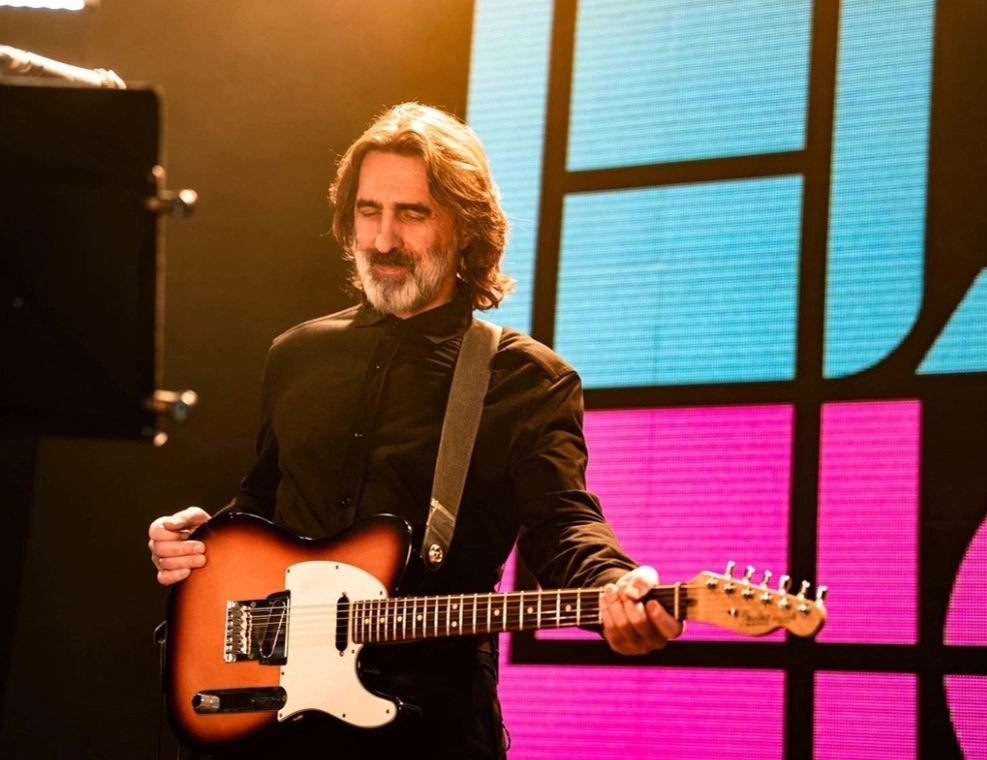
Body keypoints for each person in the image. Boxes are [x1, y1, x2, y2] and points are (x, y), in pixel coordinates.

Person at [148, 102, 682, 759]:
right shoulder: (297, 354)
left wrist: (613, 587)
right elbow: (264, 506)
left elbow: (562, 523)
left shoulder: (526, 378)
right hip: (271, 723)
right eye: (368, 211)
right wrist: (199, 545)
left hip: (429, 730)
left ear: (467, 227)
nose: (382, 240)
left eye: (412, 213)